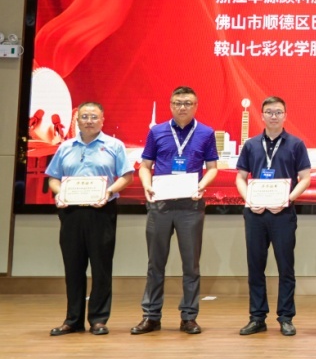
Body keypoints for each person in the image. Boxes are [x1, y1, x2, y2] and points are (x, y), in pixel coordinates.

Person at [132, 86, 218, 335]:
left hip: (190, 205)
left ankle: (189, 317)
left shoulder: (206, 133)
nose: (182, 107)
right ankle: (151, 316)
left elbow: (212, 167)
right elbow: (145, 165)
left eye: (188, 103)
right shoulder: (157, 131)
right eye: (178, 103)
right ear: (170, 105)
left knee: (191, 265)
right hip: (160, 205)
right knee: (155, 263)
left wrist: (201, 185)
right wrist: (147, 185)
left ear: (196, 106)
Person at [45, 102, 134, 336]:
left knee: (101, 267)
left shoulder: (114, 146)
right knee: (73, 267)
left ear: (102, 120)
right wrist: (60, 193)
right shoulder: (65, 147)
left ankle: (98, 319)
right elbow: (53, 178)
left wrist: (108, 191)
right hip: (71, 213)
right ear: (77, 120)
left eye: (94, 117)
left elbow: (127, 176)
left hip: (101, 211)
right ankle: (73, 320)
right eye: (84, 116)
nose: (89, 121)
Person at [234, 96, 312, 337]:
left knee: (285, 267)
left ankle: (286, 318)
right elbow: (240, 177)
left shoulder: (296, 144)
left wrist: (287, 199)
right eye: (269, 112)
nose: (274, 116)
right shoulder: (251, 145)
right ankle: (257, 317)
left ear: (285, 115)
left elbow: (305, 178)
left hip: (283, 214)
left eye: (278, 112)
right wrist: (249, 199)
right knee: (255, 266)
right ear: (262, 115)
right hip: (255, 214)